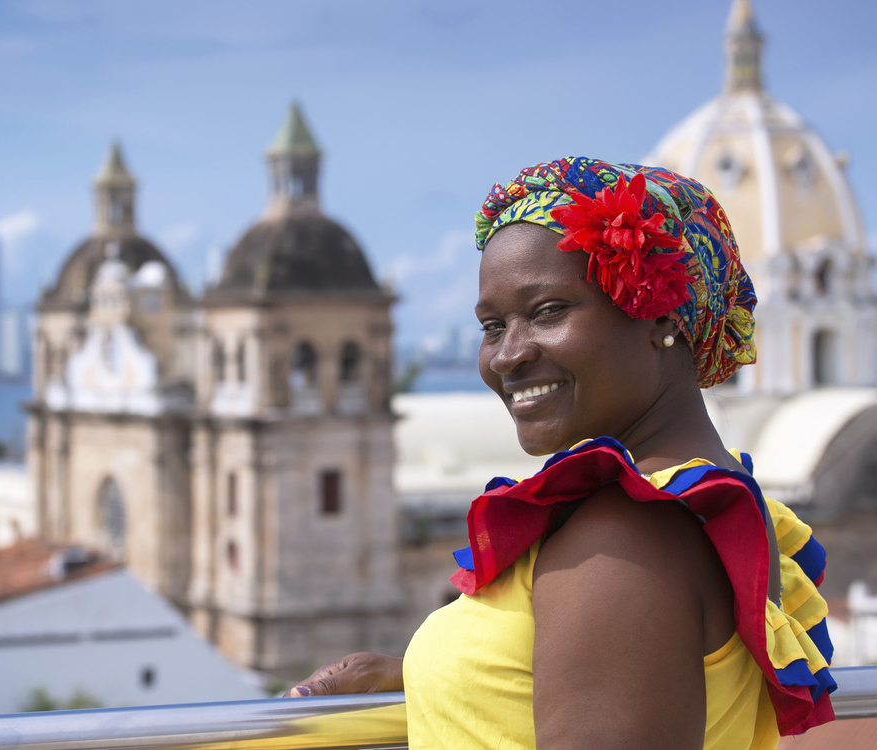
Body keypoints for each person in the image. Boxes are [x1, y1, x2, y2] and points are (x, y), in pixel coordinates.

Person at [287, 157, 835, 750]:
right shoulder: (698, 504)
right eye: (492, 326)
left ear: (661, 316)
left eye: (548, 311)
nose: (507, 356)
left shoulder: (622, 542)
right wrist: (435, 675)